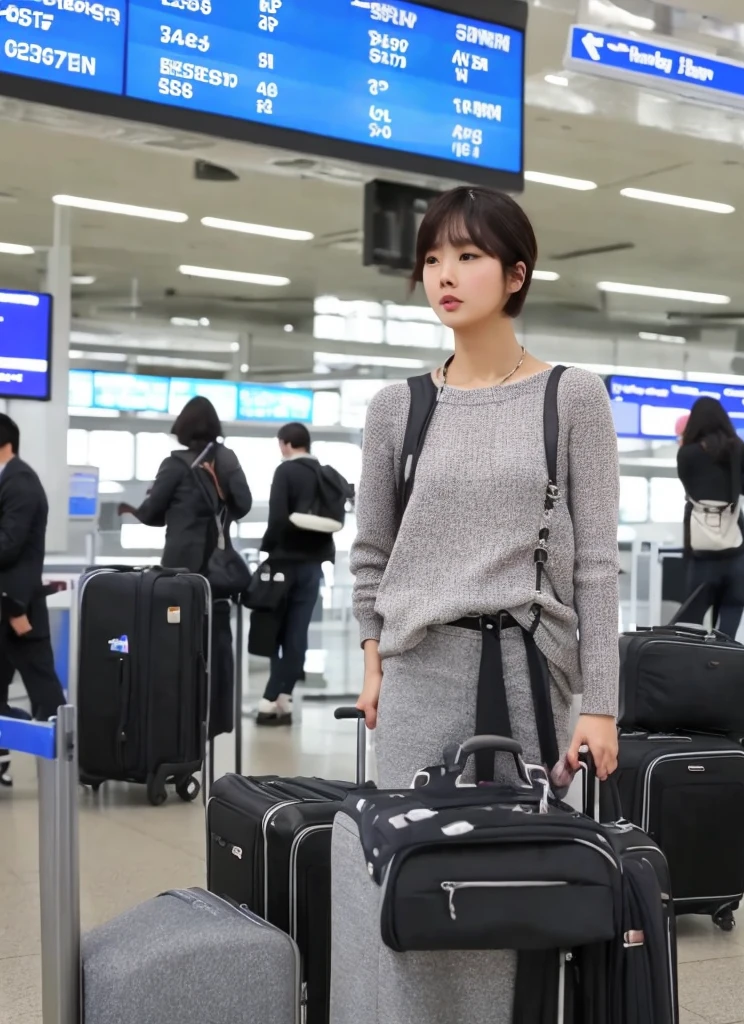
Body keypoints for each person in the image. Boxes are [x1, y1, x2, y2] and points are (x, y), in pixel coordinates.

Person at [349, 184, 620, 1023]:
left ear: (516, 273)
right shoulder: (398, 407)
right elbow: (371, 555)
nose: (444, 274)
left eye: (467, 255)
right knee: (418, 874)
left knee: (520, 884)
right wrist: (372, 659)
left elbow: (599, 566)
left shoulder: (571, 397)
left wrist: (601, 704)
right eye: (432, 257)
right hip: (420, 673)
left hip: (529, 676)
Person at [119, 396, 251, 737]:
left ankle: (177, 722)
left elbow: (151, 513)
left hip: (180, 574)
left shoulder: (175, 465)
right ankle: (215, 720)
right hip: (218, 572)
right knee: (218, 644)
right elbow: (245, 504)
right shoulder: (227, 458)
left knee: (176, 646)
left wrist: (133, 508)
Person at [675, 398, 744, 638]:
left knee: (693, 617)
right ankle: (723, 658)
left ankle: (695, 663)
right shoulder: (736, 448)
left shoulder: (686, 454)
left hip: (700, 548)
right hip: (734, 548)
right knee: (731, 614)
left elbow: (693, 486)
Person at [0, 414, 67, 785]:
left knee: (44, 691)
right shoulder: (8, 480)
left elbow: (11, 547)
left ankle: (70, 758)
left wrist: (14, 606)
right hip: (6, 604)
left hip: (18, 607)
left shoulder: (20, 482)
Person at [256, 422, 333, 726]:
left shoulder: (285, 471)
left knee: (278, 631)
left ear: (286, 444)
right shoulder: (326, 474)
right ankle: (284, 700)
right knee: (298, 632)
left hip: (284, 565)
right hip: (314, 567)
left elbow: (277, 518)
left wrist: (268, 550)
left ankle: (269, 699)